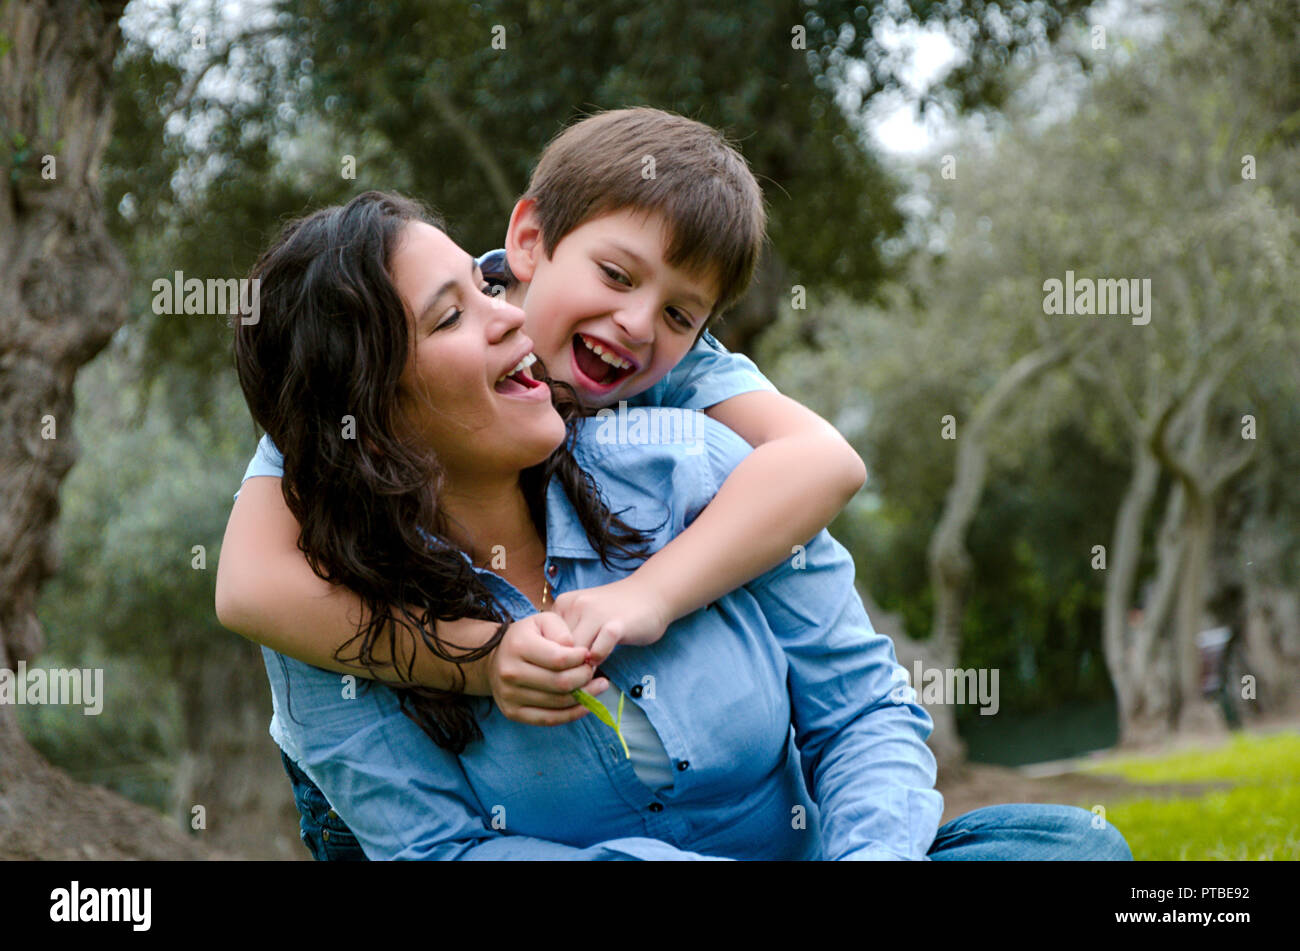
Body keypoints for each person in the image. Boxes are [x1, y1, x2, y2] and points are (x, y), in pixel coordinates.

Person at [222, 190, 1134, 860]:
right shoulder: (329, 618)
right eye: (455, 311)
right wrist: (481, 657)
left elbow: (860, 709)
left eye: (487, 285)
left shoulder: (694, 456)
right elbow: (439, 853)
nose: (512, 317)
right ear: (368, 406)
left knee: (1068, 852)